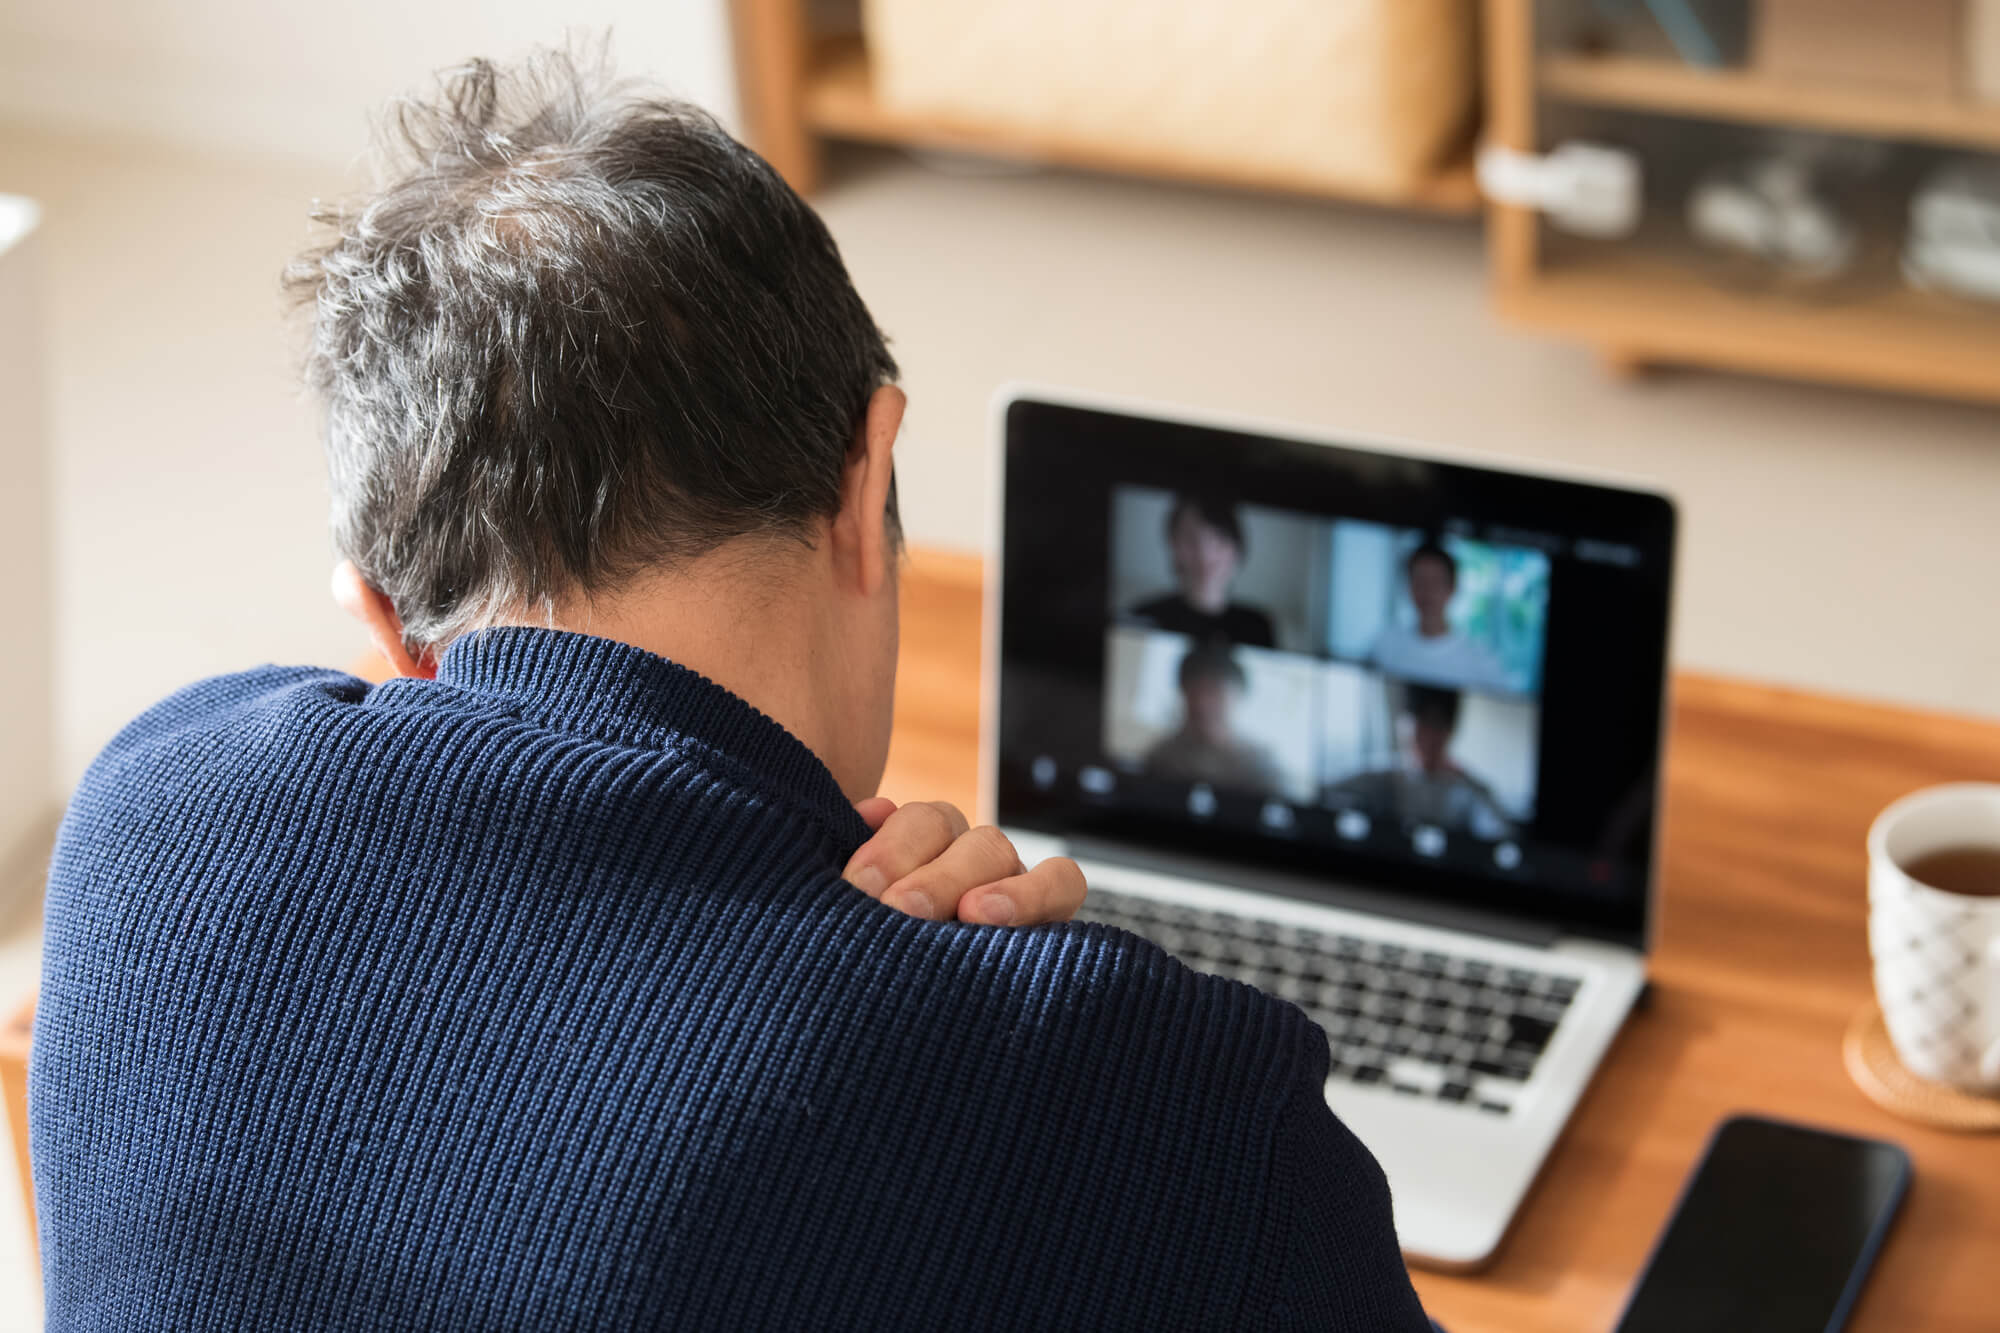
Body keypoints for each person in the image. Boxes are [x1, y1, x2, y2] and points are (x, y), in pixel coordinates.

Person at [31, 51, 1432, 1333]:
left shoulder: (143, 812)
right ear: (867, 475)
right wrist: (1008, 1029)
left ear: (387, 619)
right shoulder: (1164, 1112)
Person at [1328, 685, 1517, 840]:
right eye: (1419, 724)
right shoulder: (1383, 774)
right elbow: (1328, 792)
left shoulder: (1470, 789)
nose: (1426, 736)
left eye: (1436, 724)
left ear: (1449, 730)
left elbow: (1500, 832)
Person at [1129, 495, 1278, 647]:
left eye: (1220, 538)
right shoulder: (1143, 617)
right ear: (1173, 545)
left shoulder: (1258, 626)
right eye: (1190, 538)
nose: (1204, 554)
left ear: (1237, 548)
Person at [1143, 642, 1288, 795]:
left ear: (1238, 694)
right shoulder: (1162, 757)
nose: (1202, 703)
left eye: (1214, 691)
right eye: (1194, 690)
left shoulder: (1262, 764)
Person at [1370, 538, 1511, 694]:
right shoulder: (1384, 646)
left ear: (1452, 589)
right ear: (1409, 586)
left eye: (1435, 581)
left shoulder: (1482, 661)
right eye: (1419, 580)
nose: (1427, 591)